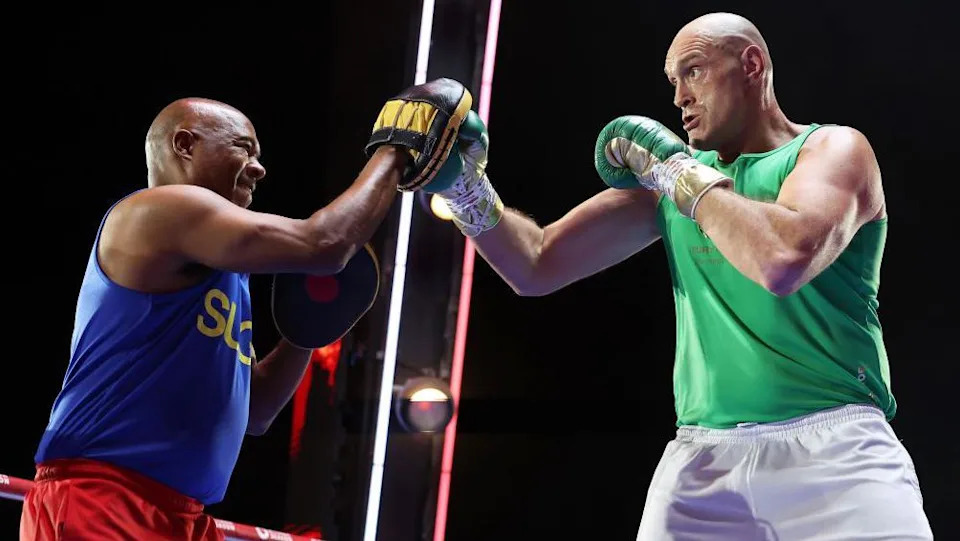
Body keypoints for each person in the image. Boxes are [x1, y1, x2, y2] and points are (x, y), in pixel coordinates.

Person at [432, 13, 933, 540]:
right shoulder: (669, 183)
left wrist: (677, 173)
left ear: (752, 65)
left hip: (840, 459)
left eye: (693, 71)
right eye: (672, 81)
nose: (678, 98)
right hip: (704, 466)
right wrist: (465, 187)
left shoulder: (833, 151)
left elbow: (781, 259)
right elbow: (534, 265)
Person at [20, 78, 472, 540]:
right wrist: (398, 147)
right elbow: (325, 243)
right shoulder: (161, 210)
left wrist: (305, 331)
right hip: (104, 496)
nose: (259, 168)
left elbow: (255, 411)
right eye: (243, 148)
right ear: (184, 144)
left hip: (184, 513)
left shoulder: (227, 274)